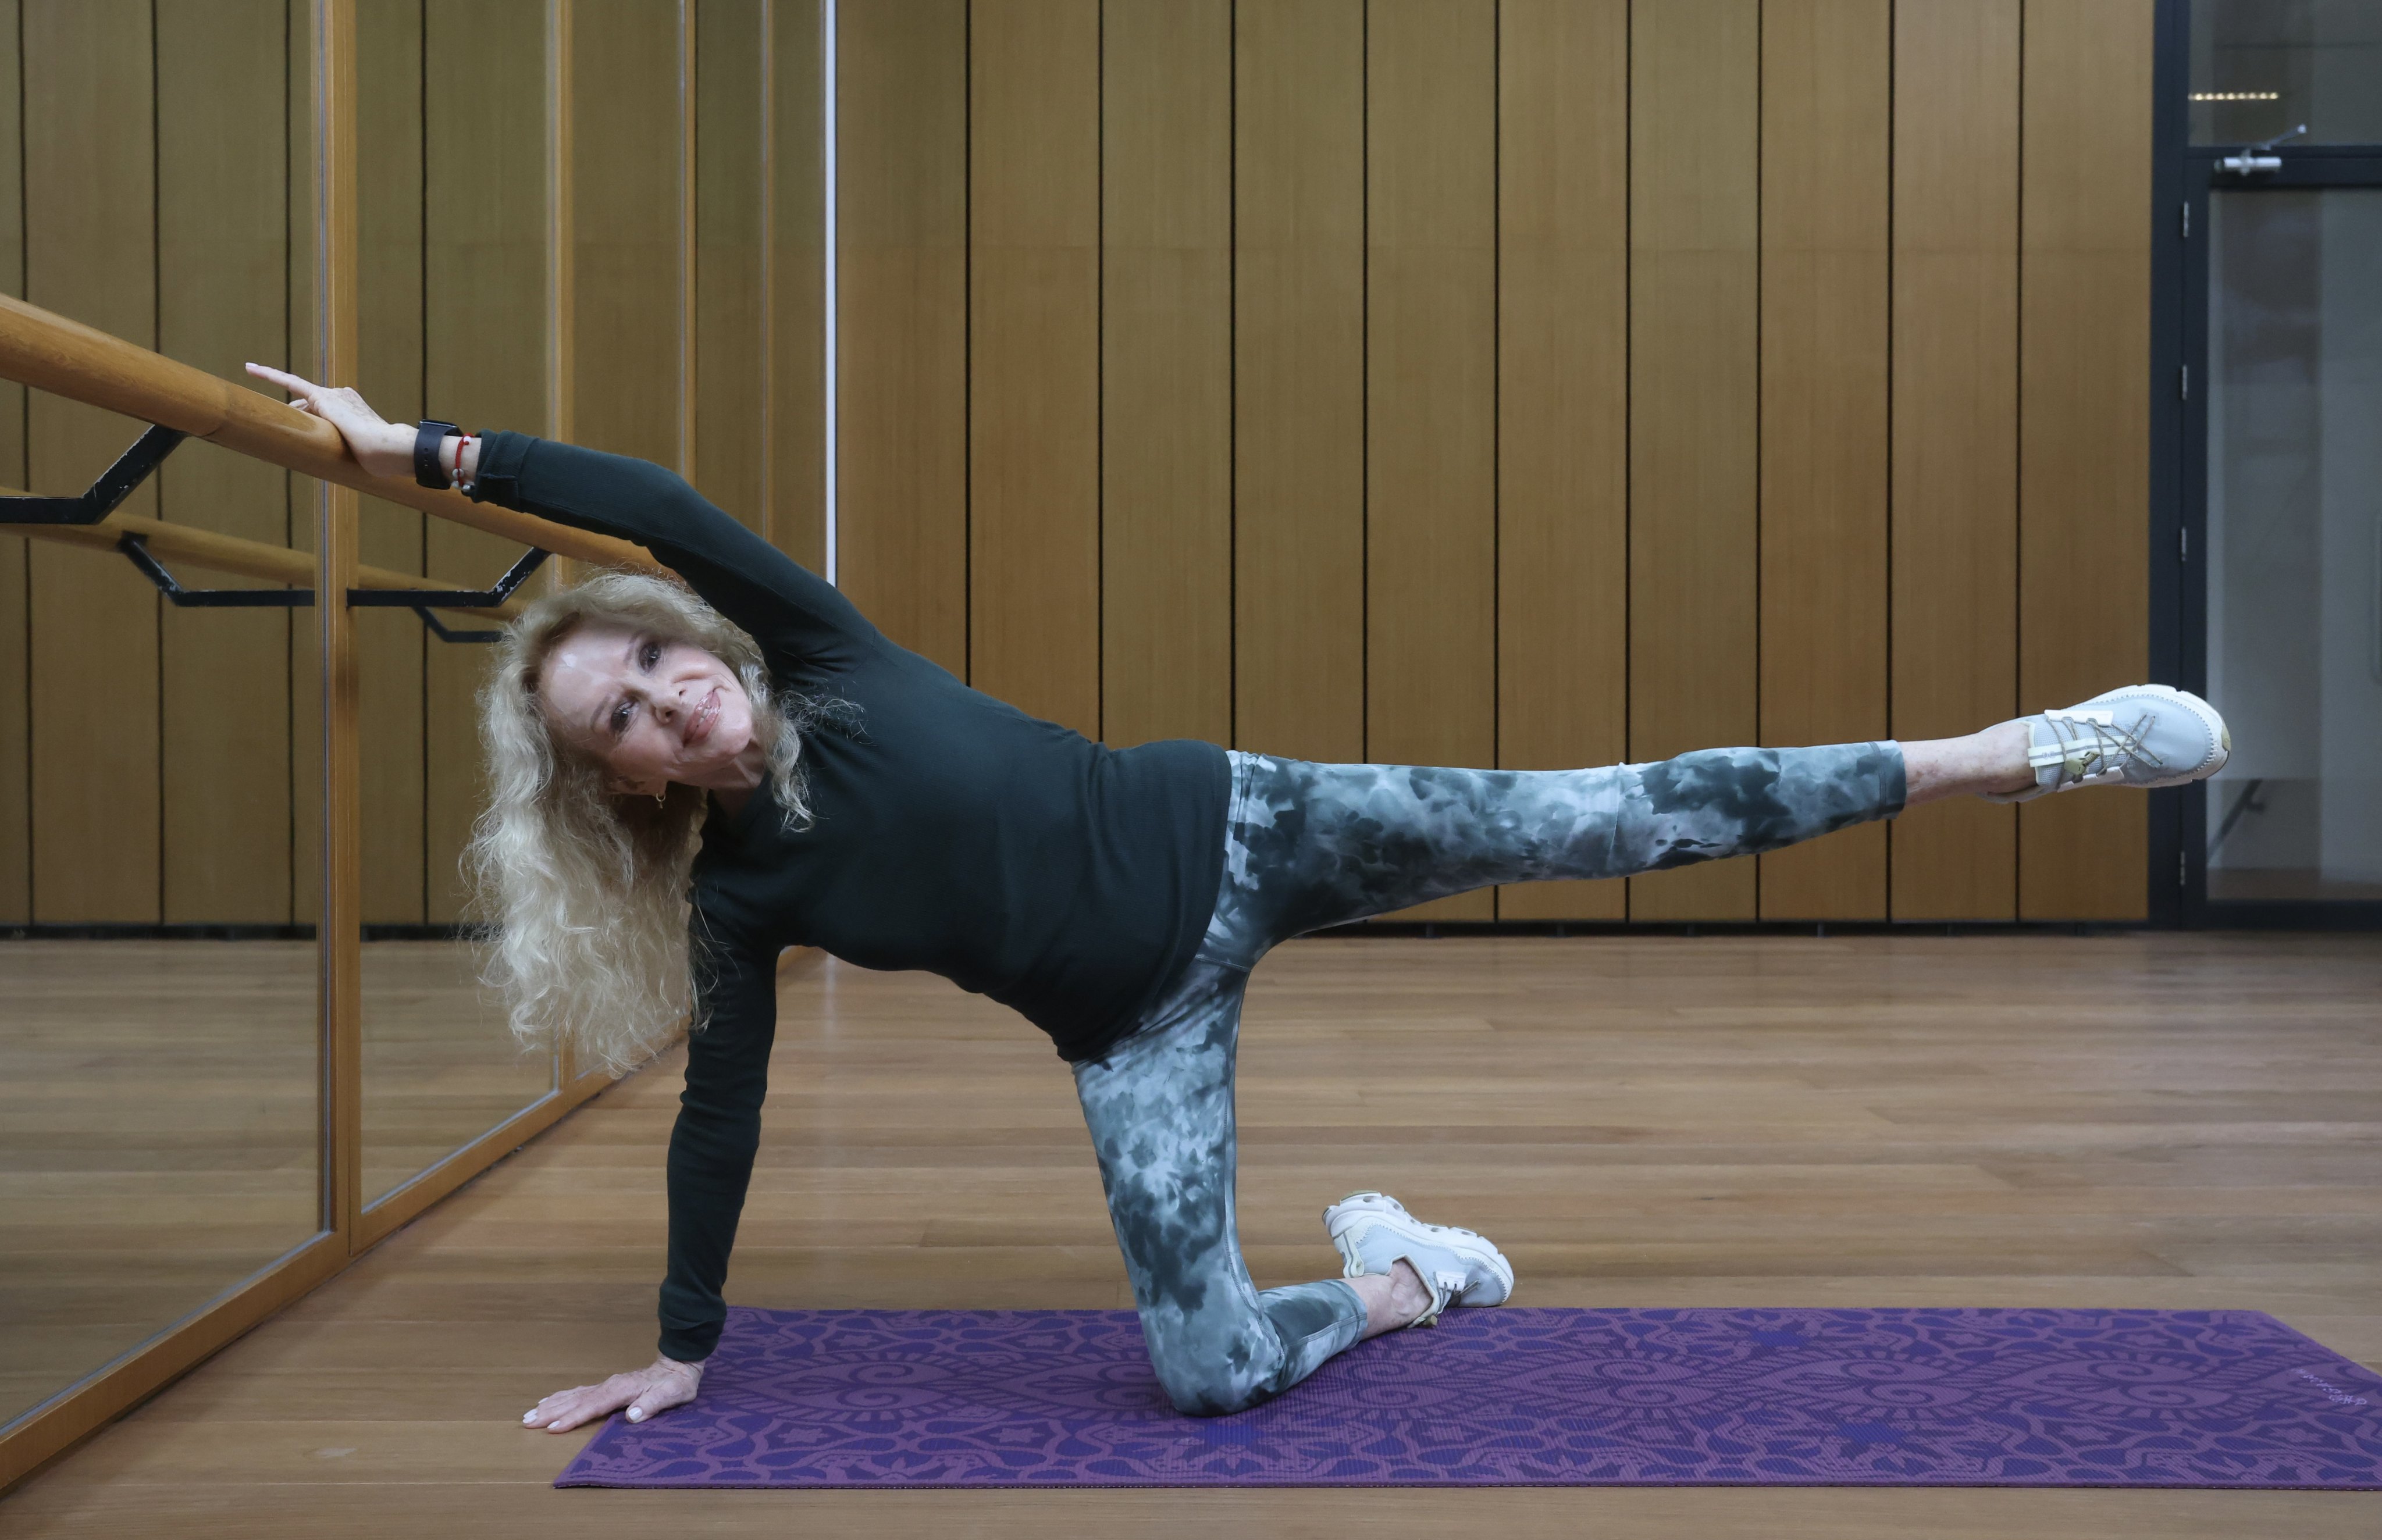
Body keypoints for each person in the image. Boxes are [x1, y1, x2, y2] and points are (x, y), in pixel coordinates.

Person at [247, 363, 2234, 1429]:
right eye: (626, 724)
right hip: (1137, 1023)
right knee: (1199, 1375)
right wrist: (682, 1342)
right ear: (621, 787)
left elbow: (656, 506)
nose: (673, 700)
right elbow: (725, 1111)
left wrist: (416, 447)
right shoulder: (739, 903)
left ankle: (2017, 749)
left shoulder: (815, 654)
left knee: (1615, 816)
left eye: (656, 664)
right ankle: (1410, 1265)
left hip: (1251, 825)